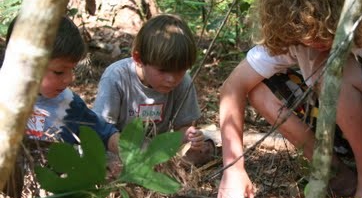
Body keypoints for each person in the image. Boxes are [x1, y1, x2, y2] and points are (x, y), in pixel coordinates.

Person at [217, 0, 362, 198]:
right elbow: (232, 88)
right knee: (258, 89)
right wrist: (234, 167)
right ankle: (335, 174)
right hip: (345, 131)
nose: (316, 42)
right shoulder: (295, 34)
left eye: (326, 31)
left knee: (334, 71)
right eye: (307, 36)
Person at [93, 14, 214, 165]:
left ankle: (161, 167)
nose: (172, 79)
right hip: (121, 148)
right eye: (163, 70)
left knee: (206, 147)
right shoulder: (117, 77)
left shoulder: (183, 82)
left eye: (180, 70)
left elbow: (183, 128)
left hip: (157, 150)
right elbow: (101, 128)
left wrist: (190, 136)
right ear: (138, 59)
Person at [3, 15, 120, 154]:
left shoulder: (69, 105)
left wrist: (134, 154)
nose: (69, 79)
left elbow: (105, 134)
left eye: (72, 69)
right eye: (59, 72)